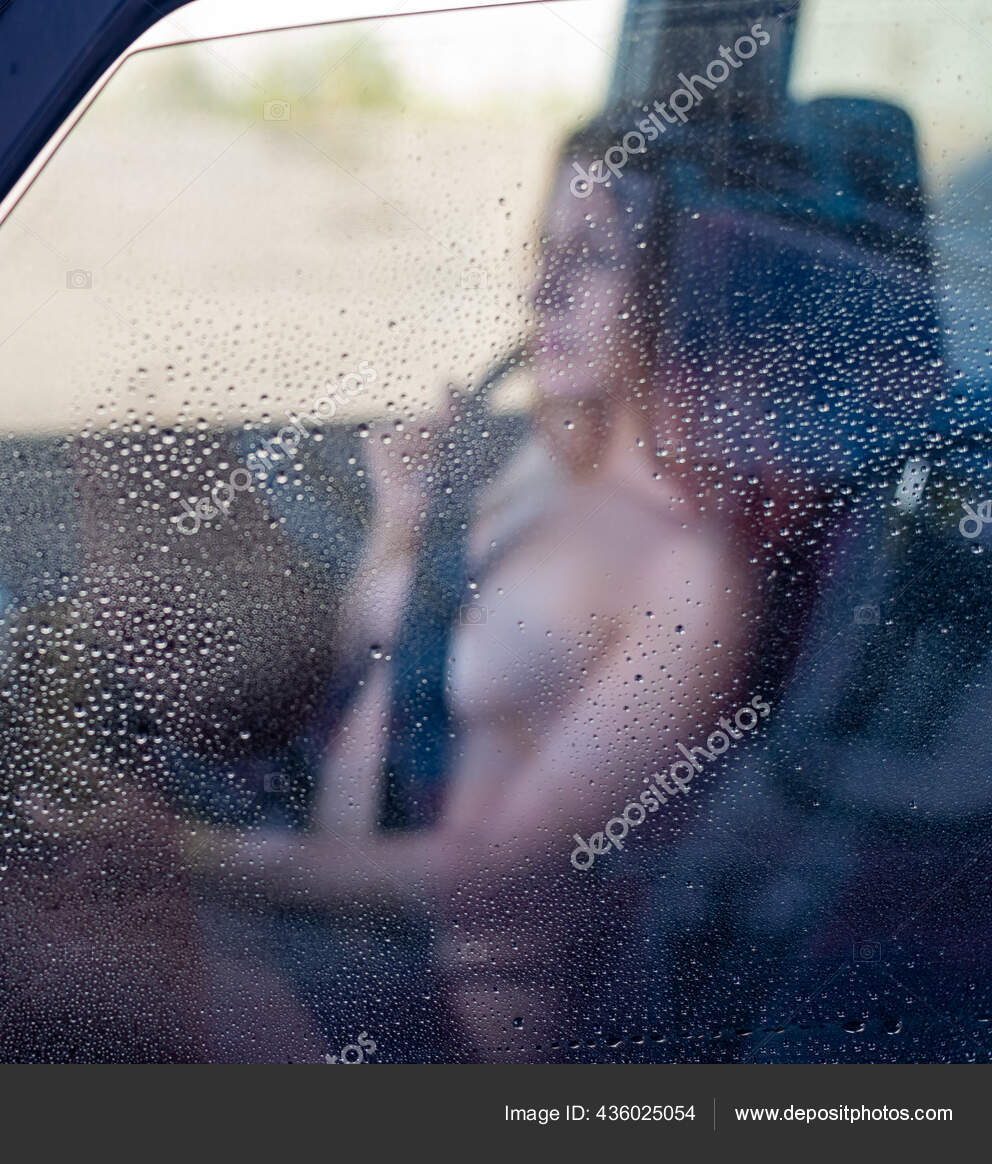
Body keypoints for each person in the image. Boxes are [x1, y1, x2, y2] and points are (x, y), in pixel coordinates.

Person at [188, 120, 769, 1057]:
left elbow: (504, 876)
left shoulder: (691, 574)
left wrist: (193, 856)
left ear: (683, 285)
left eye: (594, 256)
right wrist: (402, 523)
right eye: (545, 249)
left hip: (450, 1033)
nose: (543, 289)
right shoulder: (535, 464)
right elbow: (362, 671)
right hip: (324, 952)